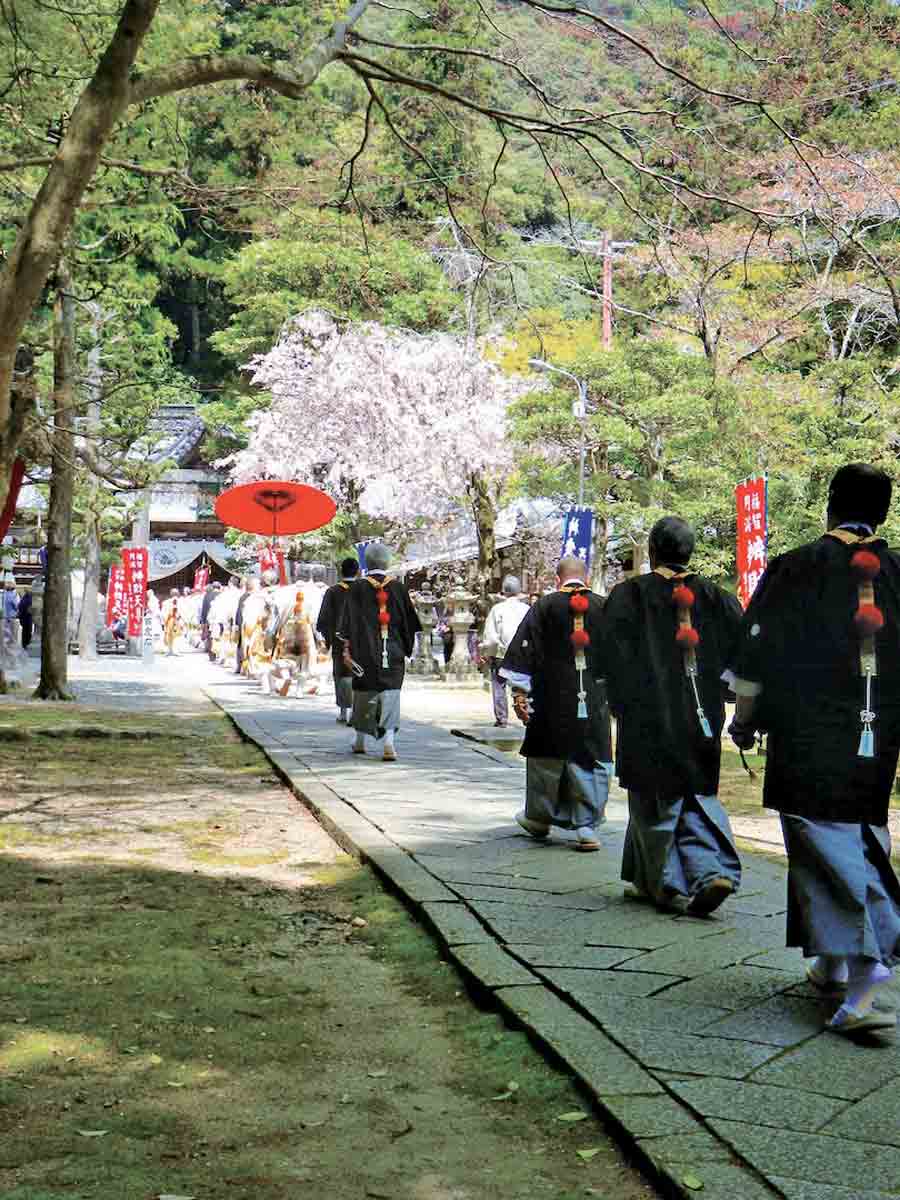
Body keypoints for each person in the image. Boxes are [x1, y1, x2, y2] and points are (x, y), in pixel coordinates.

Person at [728, 463, 900, 1037]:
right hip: (879, 739)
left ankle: (865, 965)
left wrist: (744, 719)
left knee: (823, 838)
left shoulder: (797, 567)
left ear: (830, 505)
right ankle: (829, 965)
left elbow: (755, 658)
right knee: (862, 835)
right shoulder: (899, 571)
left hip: (809, 733)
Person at [602, 516, 743, 915]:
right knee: (695, 794)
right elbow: (741, 659)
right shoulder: (718, 597)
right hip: (702, 714)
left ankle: (673, 883)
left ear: (651, 551)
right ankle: (665, 874)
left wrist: (617, 700)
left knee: (653, 802)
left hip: (648, 715)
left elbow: (609, 656)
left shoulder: (629, 595)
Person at [500, 556, 612, 852]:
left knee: (547, 757)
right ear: (585, 577)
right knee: (591, 755)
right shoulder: (604, 606)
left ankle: (539, 819)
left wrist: (520, 694)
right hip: (595, 698)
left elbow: (525, 650)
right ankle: (586, 825)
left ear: (557, 577)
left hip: (551, 696)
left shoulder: (545, 606)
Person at [342, 543, 421, 762]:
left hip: (363, 651)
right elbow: (409, 624)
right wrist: (406, 647)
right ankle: (389, 741)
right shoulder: (399, 588)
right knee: (391, 694)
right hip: (392, 651)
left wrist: (347, 647)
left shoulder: (356, 588)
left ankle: (359, 740)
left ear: (366, 563)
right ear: (387, 562)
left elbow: (347, 623)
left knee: (363, 694)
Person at [480, 576, 530, 727]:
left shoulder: (497, 609)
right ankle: (526, 714)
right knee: (522, 685)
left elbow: (491, 636)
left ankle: (502, 719)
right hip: (522, 653)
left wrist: (487, 653)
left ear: (504, 591)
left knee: (499, 686)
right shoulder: (527, 609)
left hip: (501, 653)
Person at [316, 556, 359, 723]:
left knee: (341, 674)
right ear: (357, 571)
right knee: (358, 673)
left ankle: (343, 712)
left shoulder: (333, 591)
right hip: (361, 640)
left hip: (340, 640)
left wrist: (327, 640)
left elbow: (324, 619)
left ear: (341, 572)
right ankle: (356, 711)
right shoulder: (365, 590)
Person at [161, 588, 181, 656]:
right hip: (172, 620)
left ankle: (172, 650)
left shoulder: (166, 602)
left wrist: (164, 621)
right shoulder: (166, 602)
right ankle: (172, 650)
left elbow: (163, 613)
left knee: (173, 635)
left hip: (172, 620)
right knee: (173, 635)